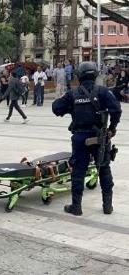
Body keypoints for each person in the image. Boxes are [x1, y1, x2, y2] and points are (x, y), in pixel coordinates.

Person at [52, 62, 122, 216]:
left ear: (79, 76)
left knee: (78, 171)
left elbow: (56, 108)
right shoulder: (103, 92)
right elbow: (116, 109)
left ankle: (76, 207)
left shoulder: (73, 93)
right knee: (104, 169)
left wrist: (70, 106)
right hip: (100, 137)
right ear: (95, 75)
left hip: (80, 138)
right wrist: (112, 128)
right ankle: (107, 206)